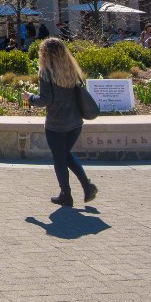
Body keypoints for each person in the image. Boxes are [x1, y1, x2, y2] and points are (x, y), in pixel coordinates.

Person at [22, 38, 97, 207]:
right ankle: (87, 186)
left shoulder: (46, 72)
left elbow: (45, 99)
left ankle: (66, 195)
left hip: (56, 124)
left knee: (60, 159)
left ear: (45, 54)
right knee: (66, 155)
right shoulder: (72, 70)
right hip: (75, 122)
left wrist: (29, 98)